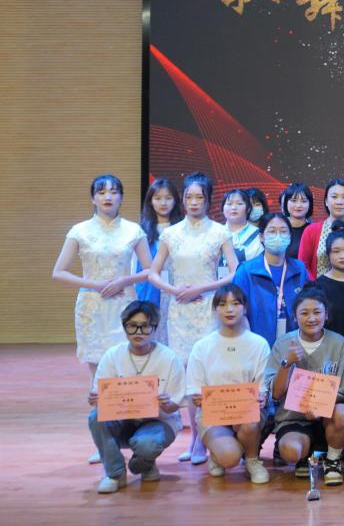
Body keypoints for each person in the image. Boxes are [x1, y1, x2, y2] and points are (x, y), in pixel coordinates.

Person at [146, 172, 238, 463]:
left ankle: (213, 434)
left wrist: (204, 288)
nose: (194, 202)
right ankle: (196, 439)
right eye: (189, 197)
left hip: (208, 308)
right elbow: (153, 272)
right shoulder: (171, 234)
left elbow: (235, 272)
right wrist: (174, 290)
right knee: (187, 374)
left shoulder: (220, 232)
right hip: (179, 310)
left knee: (209, 372)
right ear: (183, 200)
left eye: (200, 197)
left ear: (209, 200)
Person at [52, 175, 150, 385]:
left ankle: (128, 405)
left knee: (127, 362)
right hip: (92, 305)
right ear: (93, 198)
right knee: (97, 368)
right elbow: (58, 272)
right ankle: (99, 405)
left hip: (124, 304)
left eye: (114, 192)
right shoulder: (79, 231)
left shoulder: (133, 230)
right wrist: (95, 284)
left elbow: (150, 271)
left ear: (121, 197)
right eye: (102, 192)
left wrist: (124, 280)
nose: (108, 197)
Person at [88, 300, 184, 493]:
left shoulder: (169, 358)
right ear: (124, 327)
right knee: (95, 417)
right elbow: (101, 397)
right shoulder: (112, 355)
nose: (138, 332)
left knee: (146, 445)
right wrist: (97, 400)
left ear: (154, 328)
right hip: (123, 420)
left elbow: (176, 404)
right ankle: (115, 474)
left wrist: (167, 404)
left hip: (159, 421)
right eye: (132, 326)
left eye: (145, 326)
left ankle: (143, 464)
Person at [265, 285, 344, 485]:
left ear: (326, 315)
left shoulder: (339, 343)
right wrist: (287, 364)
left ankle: (332, 460)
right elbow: (275, 394)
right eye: (304, 313)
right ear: (295, 317)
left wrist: (320, 408)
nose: (311, 318)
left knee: (343, 413)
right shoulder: (283, 344)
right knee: (290, 452)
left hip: (328, 416)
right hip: (294, 418)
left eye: (317, 312)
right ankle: (305, 456)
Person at [184, 284, 271, 483]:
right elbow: (194, 389)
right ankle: (219, 453)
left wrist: (261, 396)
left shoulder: (259, 344)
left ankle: (252, 460)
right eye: (222, 304)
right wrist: (198, 398)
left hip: (247, 415)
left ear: (245, 308)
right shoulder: (201, 347)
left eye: (235, 303)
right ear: (215, 309)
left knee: (250, 422)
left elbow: (262, 385)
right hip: (213, 416)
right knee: (230, 458)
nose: (229, 309)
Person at [231, 213, 306, 349]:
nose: (278, 236)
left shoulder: (299, 269)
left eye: (283, 231)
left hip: (294, 346)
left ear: (290, 237)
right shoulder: (246, 271)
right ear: (261, 237)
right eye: (272, 231)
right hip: (257, 347)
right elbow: (235, 311)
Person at [136, 177, 183, 337]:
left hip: (177, 290)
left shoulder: (183, 229)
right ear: (150, 201)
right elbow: (135, 267)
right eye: (157, 198)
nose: (163, 203)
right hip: (150, 291)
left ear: (175, 200)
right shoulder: (141, 231)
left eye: (168, 198)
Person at [298, 179, 344, 280]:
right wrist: (316, 286)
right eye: (334, 197)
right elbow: (303, 265)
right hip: (318, 288)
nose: (339, 202)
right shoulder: (311, 230)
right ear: (326, 201)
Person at [220, 189, 262, 268]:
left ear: (248, 209)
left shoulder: (259, 236)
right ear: (223, 209)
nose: (233, 207)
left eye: (239, 203)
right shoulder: (214, 233)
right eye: (229, 204)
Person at [279, 182, 313, 262]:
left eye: (303, 201)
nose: (298, 205)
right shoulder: (278, 227)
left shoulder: (313, 230)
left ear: (310, 204)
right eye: (293, 200)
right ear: (286, 203)